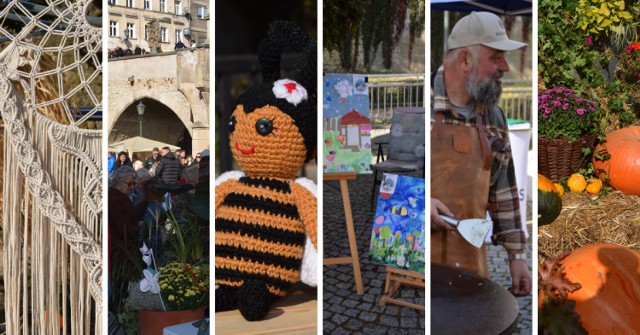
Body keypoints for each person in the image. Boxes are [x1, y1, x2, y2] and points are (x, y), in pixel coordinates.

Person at [430, 11, 531, 297]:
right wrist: (421, 203)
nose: (506, 67)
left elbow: (505, 191)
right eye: (496, 57)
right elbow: (392, 188)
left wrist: (517, 258)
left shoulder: (494, 117)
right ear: (465, 60)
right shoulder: (421, 109)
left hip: (472, 268)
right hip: (420, 271)